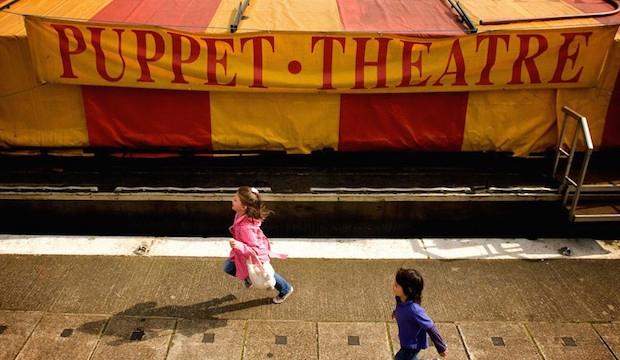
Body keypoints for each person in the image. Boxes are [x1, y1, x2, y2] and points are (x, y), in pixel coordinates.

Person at [223, 186, 294, 304]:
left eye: (235, 200)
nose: (232, 200)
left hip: (254, 254)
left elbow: (254, 249)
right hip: (244, 253)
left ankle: (286, 289)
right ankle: (248, 278)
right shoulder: (241, 214)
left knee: (267, 274)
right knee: (230, 267)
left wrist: (239, 245)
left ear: (244, 206)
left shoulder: (245, 227)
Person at [392, 268, 447, 360]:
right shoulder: (400, 299)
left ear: (407, 290)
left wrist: (441, 347)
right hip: (406, 339)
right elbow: (401, 308)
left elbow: (431, 327)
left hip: (413, 344)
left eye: (396, 285)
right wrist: (396, 312)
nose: (393, 285)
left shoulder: (415, 310)